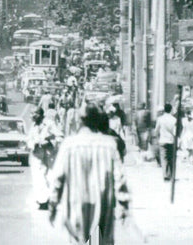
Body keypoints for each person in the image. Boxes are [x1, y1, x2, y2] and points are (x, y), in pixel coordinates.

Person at [48, 102, 130, 245]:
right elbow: (119, 178)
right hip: (102, 206)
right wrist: (123, 204)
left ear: (80, 120)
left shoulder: (69, 145)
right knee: (97, 241)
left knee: (79, 241)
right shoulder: (109, 144)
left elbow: (57, 179)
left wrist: (53, 205)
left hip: (75, 206)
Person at [28, 107, 61, 209]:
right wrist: (34, 144)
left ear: (41, 114)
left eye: (35, 113)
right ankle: (43, 201)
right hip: (37, 154)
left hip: (50, 153)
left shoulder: (49, 124)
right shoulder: (33, 126)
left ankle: (51, 200)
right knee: (38, 177)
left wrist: (49, 141)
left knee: (50, 176)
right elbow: (29, 140)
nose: (33, 116)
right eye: (31, 113)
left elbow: (60, 136)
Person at [154, 103, 177, 181]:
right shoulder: (174, 119)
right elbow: (175, 132)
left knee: (164, 158)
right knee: (171, 158)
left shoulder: (160, 119)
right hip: (171, 141)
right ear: (171, 110)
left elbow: (156, 130)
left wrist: (157, 137)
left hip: (162, 140)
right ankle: (172, 175)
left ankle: (165, 175)